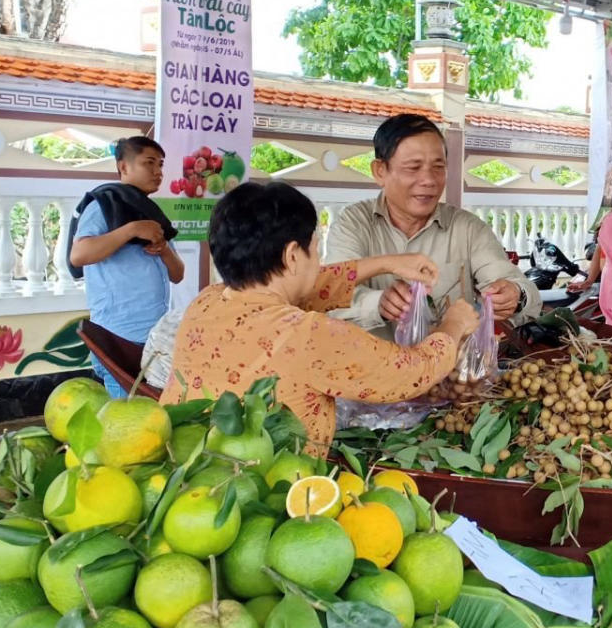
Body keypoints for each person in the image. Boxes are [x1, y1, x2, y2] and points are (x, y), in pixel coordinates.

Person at [161, 181, 478, 456]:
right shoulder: (307, 335)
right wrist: (454, 325)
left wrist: (387, 263)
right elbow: (411, 373)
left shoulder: (206, 301)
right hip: (272, 493)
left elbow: (299, 287)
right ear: (292, 255)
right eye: (316, 249)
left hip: (187, 471)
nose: (320, 259)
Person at [323, 113, 539, 337]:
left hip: (451, 369)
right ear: (380, 171)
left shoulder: (467, 228)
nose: (429, 180)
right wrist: (377, 303)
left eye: (438, 167)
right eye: (413, 168)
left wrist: (515, 295)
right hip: (371, 369)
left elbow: (523, 290)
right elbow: (330, 293)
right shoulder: (353, 223)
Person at [68, 135, 185, 397]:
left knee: (152, 419)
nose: (158, 171)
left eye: (161, 165)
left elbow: (178, 275)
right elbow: (79, 255)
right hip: (118, 336)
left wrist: (164, 249)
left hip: (154, 336)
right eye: (149, 163)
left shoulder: (151, 212)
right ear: (123, 167)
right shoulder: (103, 205)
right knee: (126, 421)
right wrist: (130, 230)